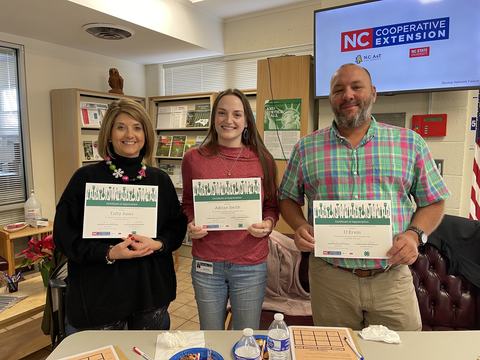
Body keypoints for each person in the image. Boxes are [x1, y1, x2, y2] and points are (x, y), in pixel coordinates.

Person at [278, 63, 450, 331]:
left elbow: (434, 200)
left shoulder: (410, 143)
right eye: (338, 90)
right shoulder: (306, 148)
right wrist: (299, 226)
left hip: (390, 277)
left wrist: (414, 235)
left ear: (373, 93)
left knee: (401, 353)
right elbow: (287, 198)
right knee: (336, 353)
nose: (348, 95)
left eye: (356, 87)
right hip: (330, 279)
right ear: (330, 98)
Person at [54, 98, 187, 334]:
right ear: (108, 134)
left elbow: (176, 227)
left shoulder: (160, 180)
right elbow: (64, 236)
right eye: (121, 127)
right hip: (100, 294)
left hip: (149, 292)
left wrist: (158, 244)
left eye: (137, 127)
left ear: (146, 134)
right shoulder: (85, 178)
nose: (130, 134)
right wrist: (108, 252)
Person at [181, 88, 279, 330]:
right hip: (207, 263)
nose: (229, 120)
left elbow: (271, 206)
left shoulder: (263, 159)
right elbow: (188, 203)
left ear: (246, 121)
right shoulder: (193, 158)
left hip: (250, 264)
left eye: (237, 114)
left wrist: (268, 224)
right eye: (222, 113)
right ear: (214, 118)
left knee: (245, 336)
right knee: (211, 334)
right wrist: (191, 223)